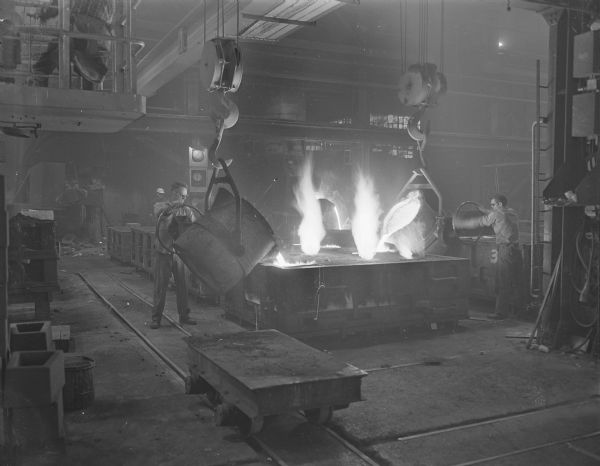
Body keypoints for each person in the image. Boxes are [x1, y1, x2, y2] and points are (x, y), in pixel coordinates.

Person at [150, 182, 197, 329]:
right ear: (175, 194)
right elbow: (160, 214)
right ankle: (156, 318)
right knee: (160, 287)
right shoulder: (160, 205)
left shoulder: (186, 210)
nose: (184, 198)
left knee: (182, 286)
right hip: (163, 253)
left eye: (185, 196)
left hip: (179, 255)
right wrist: (173, 206)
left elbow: (195, 226)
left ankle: (184, 316)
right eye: (182, 195)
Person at [476, 194, 524, 319]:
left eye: (493, 204)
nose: (491, 207)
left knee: (503, 281)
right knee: (518, 281)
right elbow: (495, 214)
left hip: (505, 249)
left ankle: (501, 313)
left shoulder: (497, 214)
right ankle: (521, 311)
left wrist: (462, 222)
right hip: (516, 250)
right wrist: (485, 210)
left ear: (500, 204)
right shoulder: (512, 212)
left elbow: (483, 221)